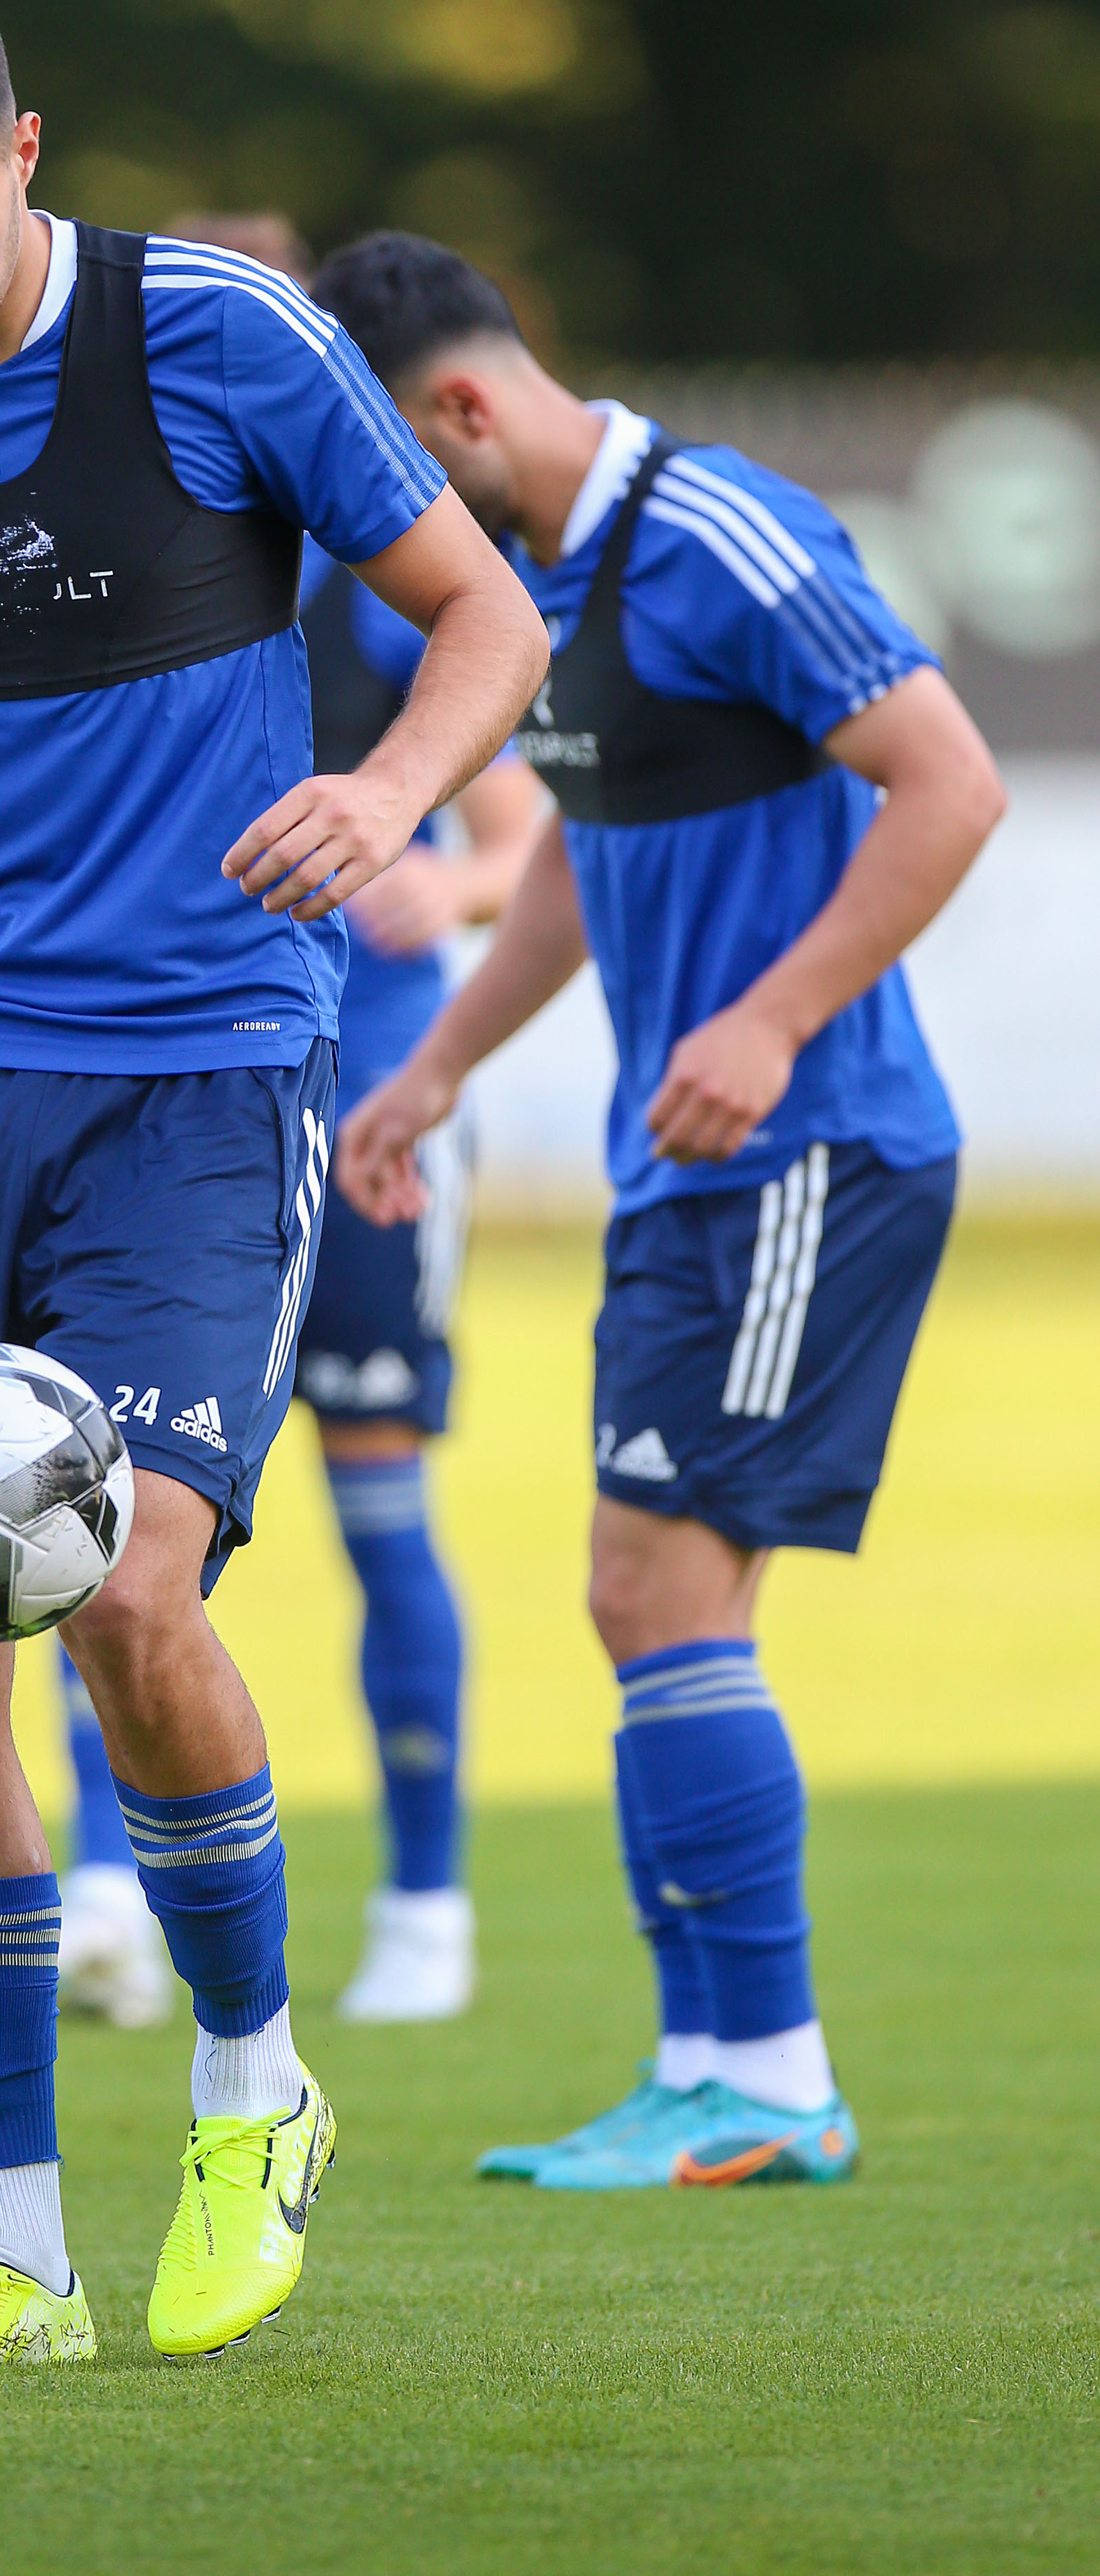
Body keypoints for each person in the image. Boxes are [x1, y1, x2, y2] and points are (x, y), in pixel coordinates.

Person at [0, 0, 548, 2368]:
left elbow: (484, 618)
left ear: (25, 151)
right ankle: (10, 2254)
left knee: (125, 1593)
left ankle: (254, 2093)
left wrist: (387, 797)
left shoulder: (223, 336)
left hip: (200, 1074)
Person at [323, 233, 1004, 2189]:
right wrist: (440, 1068)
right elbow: (570, 854)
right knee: (648, 1601)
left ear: (461, 410)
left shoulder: (719, 531)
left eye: (382, 472)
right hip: (691, 1165)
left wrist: (775, 1022)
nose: (373, 526)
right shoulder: (533, 583)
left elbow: (950, 784)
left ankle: (768, 2075)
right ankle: (711, 2066)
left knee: (656, 1591)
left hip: (811, 1149)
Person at [54, 212, 543, 2029]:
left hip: (365, 1106)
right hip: (168, 1092)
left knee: (378, 1509)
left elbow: (520, 841)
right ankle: (104, 1898)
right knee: (90, 1505)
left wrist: (444, 875)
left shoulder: (385, 567)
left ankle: (426, 1906)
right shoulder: (111, 559)